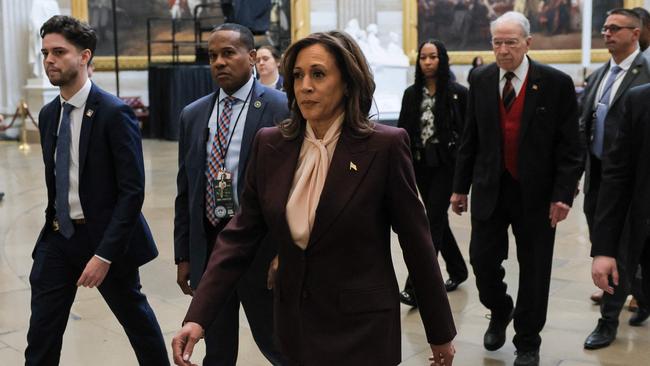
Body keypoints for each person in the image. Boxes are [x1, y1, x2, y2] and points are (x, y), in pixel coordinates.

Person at [172, 30, 457, 366]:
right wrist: (197, 316)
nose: (305, 85)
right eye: (297, 75)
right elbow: (238, 237)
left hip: (361, 328)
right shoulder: (271, 145)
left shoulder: (384, 147)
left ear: (348, 82)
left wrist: (439, 332)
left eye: (318, 74)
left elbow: (417, 244)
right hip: (295, 326)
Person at [26, 15, 168, 365]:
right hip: (59, 237)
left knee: (136, 321)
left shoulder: (113, 113)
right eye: (45, 52)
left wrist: (104, 255)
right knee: (42, 332)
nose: (49, 60)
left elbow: (132, 191)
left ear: (84, 56)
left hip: (104, 239)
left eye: (59, 52)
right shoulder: (47, 115)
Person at [451, 11, 582, 366]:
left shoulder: (555, 83)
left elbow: (571, 147)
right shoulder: (479, 78)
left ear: (528, 43)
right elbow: (470, 138)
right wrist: (459, 187)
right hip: (491, 189)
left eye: (511, 42)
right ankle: (500, 307)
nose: (503, 49)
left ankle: (528, 340)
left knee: (535, 268)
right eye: (497, 42)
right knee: (481, 259)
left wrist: (563, 194)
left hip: (537, 196)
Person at [174, 23, 288, 365]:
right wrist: (185, 253)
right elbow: (186, 190)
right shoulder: (193, 114)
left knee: (277, 344)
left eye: (228, 53)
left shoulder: (280, 108)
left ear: (251, 57)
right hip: (211, 249)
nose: (219, 62)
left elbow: (295, 185)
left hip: (260, 247)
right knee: (217, 348)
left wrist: (285, 251)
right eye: (212, 56)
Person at [580, 8, 650, 350]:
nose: (606, 33)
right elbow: (587, 125)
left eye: (614, 28)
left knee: (625, 251)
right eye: (604, 28)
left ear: (635, 33)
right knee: (607, 244)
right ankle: (632, 294)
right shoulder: (598, 76)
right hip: (602, 175)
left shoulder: (645, 75)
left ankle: (614, 315)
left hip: (635, 185)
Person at [397, 39, 469, 308]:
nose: (427, 62)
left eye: (433, 57)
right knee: (437, 220)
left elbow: (467, 135)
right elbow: (403, 132)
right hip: (420, 166)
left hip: (447, 167)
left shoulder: (458, 93)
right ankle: (458, 270)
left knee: (430, 223)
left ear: (443, 59)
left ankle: (416, 287)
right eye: (423, 58)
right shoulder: (411, 94)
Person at [590, 83, 650, 349]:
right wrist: (603, 250)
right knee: (623, 269)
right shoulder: (640, 100)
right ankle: (609, 320)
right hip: (640, 217)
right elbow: (617, 177)